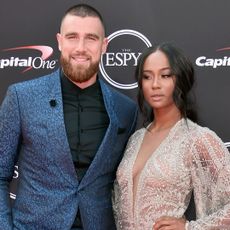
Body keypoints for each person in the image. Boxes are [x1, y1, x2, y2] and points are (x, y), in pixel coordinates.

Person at [0, 4, 138, 230]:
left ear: (104, 45)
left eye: (91, 38)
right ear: (59, 41)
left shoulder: (125, 110)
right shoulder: (21, 98)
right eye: (72, 37)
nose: (81, 48)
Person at [113, 42, 230, 229]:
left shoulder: (197, 138)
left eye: (165, 75)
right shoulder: (135, 139)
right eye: (147, 77)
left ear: (181, 80)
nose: (155, 84)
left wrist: (189, 227)